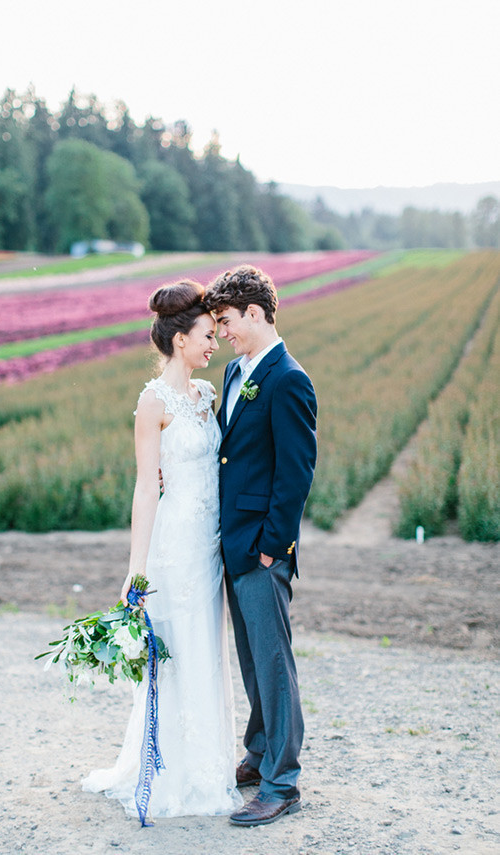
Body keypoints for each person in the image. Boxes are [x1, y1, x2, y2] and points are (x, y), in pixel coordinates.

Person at [82, 280, 242, 820]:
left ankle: (209, 765)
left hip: (211, 545)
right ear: (180, 341)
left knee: (206, 648)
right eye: (206, 335)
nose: (214, 343)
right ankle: (171, 771)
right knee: (176, 649)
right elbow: (146, 487)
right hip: (175, 547)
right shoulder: (153, 403)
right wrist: (137, 568)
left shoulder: (208, 395)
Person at [204, 265, 318, 827]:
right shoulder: (235, 371)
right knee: (250, 658)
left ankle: (283, 782)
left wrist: (273, 548)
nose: (221, 332)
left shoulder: (288, 379)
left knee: (274, 665)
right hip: (233, 542)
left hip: (262, 548)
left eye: (226, 321)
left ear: (255, 313)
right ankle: (259, 750)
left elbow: (296, 473)